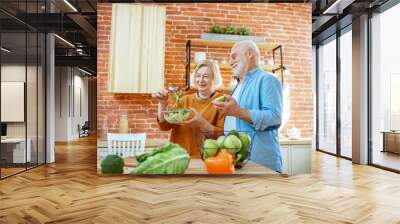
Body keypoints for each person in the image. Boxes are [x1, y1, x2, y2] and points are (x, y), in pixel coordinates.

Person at [212, 40, 283, 172]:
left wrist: (237, 111)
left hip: (261, 165)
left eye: (234, 56)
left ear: (249, 54)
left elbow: (275, 118)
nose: (230, 62)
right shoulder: (238, 86)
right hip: (237, 162)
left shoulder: (267, 79)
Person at [152, 60, 225, 158]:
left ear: (214, 78)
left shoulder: (222, 102)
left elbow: (222, 136)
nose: (201, 80)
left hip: (204, 159)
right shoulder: (184, 100)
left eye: (206, 76)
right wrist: (162, 104)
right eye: (198, 75)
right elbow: (164, 126)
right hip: (178, 156)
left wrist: (201, 123)